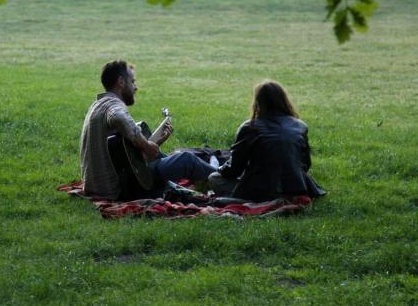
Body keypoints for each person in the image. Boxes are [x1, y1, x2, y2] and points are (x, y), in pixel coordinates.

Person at [79, 60, 215, 199]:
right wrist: (145, 145)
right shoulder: (113, 105)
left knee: (165, 157)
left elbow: (122, 157)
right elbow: (118, 117)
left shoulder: (97, 106)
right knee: (186, 159)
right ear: (121, 82)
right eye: (133, 82)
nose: (136, 87)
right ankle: (223, 178)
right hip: (119, 189)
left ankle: (214, 172)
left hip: (100, 186)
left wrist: (154, 143)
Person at [208, 81, 325, 201]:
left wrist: (219, 169)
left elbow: (234, 169)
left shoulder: (249, 127)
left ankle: (247, 199)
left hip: (262, 191)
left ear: (258, 102)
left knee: (214, 178)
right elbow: (305, 163)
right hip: (297, 188)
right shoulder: (300, 126)